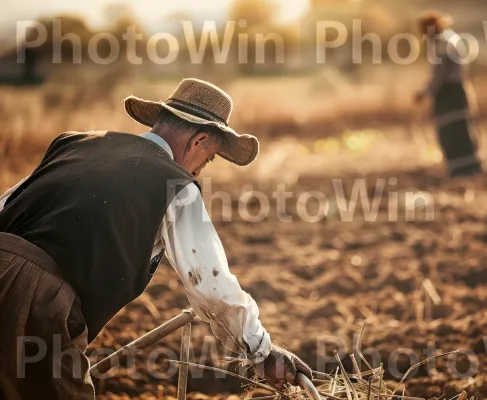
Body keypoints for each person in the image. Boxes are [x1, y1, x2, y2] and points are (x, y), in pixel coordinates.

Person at [0, 78, 311, 399]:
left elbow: (6, 204)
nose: (199, 171)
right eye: (208, 159)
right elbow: (212, 285)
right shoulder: (175, 185)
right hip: (34, 297)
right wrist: (262, 351)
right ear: (199, 141)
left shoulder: (74, 143)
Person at [414, 11, 483, 177]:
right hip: (456, 90)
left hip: (449, 93)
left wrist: (425, 93)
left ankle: (462, 168)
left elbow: (440, 74)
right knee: (460, 127)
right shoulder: (449, 38)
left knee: (452, 130)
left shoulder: (442, 43)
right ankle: (469, 166)